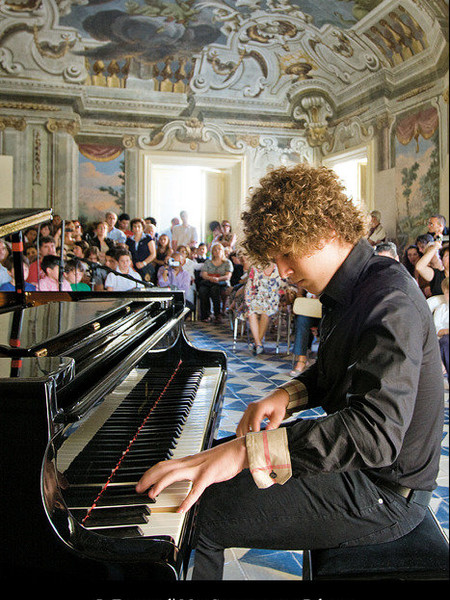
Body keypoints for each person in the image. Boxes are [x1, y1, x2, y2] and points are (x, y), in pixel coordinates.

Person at [136, 163, 444, 581]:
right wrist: (286, 395)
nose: (281, 270)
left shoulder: (390, 301)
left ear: (328, 228)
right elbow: (336, 370)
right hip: (364, 470)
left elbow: (375, 436)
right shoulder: (353, 287)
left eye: (287, 252)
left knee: (200, 510)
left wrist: (246, 451)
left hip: (386, 492)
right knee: (205, 463)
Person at [244, 262, 284, 355]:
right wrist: (248, 300)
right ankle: (258, 344)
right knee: (250, 312)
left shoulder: (279, 267)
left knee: (265, 312)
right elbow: (249, 285)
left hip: (272, 299)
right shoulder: (255, 267)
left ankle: (257, 343)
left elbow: (284, 285)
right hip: (256, 297)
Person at [198, 242, 233, 322]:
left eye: (219, 249)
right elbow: (204, 274)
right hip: (208, 282)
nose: (217, 251)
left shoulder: (227, 262)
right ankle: (205, 315)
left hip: (222, 283)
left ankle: (217, 314)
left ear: (222, 251)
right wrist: (211, 278)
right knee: (202, 290)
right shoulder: (208, 262)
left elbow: (228, 276)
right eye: (215, 250)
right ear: (212, 252)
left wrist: (218, 279)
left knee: (215, 289)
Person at [431, 276, 449, 375]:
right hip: (444, 340)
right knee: (445, 340)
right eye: (447, 293)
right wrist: (447, 331)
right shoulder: (442, 309)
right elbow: (436, 329)